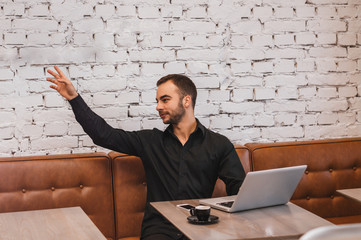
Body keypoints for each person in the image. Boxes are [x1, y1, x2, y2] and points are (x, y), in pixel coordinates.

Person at [46, 65, 246, 240]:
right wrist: (74, 98)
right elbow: (103, 135)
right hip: (159, 229)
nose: (158, 106)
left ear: (186, 100)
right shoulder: (150, 141)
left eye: (165, 99)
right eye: (157, 100)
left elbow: (239, 189)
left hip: (200, 228)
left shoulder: (219, 144)